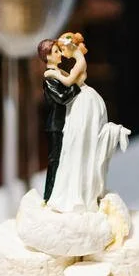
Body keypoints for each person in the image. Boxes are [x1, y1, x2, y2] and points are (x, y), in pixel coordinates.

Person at [44, 32, 129, 214]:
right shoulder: (77, 61)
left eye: (61, 49)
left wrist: (53, 73)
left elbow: (68, 82)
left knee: (80, 140)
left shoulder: (78, 61)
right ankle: (69, 189)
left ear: (70, 47)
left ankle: (79, 190)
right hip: (83, 100)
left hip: (84, 102)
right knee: (74, 143)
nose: (61, 53)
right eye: (57, 51)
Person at [37, 39, 82, 203]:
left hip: (64, 123)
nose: (60, 54)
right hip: (56, 125)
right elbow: (63, 98)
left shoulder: (59, 75)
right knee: (55, 161)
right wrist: (77, 85)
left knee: (66, 159)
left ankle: (63, 194)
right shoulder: (49, 79)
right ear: (48, 56)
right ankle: (49, 197)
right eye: (56, 51)